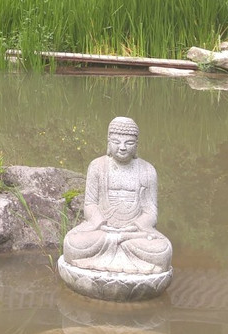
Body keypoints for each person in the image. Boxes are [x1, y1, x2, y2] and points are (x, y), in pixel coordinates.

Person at [62, 116, 172, 275]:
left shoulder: (148, 170)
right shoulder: (97, 166)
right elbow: (90, 205)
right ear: (108, 142)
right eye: (116, 142)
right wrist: (101, 224)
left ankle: (104, 257)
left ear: (136, 146)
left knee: (163, 250)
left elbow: (151, 212)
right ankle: (125, 256)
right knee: (72, 244)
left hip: (133, 233)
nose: (122, 147)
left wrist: (132, 228)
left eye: (129, 143)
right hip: (103, 231)